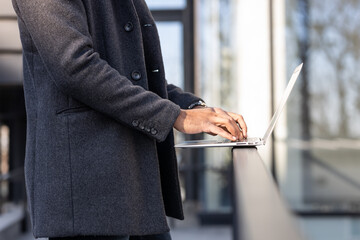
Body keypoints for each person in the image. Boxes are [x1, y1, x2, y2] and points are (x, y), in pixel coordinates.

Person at [12, 0, 247, 239]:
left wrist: (191, 107)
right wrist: (175, 115)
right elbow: (75, 66)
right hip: (87, 194)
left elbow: (131, 76)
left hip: (134, 186)